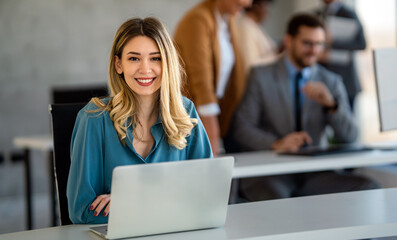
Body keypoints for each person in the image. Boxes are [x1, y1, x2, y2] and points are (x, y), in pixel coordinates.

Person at [67, 17, 213, 224]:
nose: (145, 69)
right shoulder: (94, 118)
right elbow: (81, 211)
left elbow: (207, 194)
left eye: (155, 58)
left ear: (167, 63)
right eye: (134, 59)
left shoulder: (185, 111)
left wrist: (129, 203)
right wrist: (171, 201)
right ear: (119, 64)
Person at [231, 13, 377, 201]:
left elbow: (350, 136)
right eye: (307, 43)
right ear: (289, 41)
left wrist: (332, 105)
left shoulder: (331, 82)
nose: (314, 50)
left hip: (314, 173)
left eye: (319, 44)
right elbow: (242, 128)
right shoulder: (261, 76)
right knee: (278, 201)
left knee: (369, 187)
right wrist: (277, 143)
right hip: (272, 172)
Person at [174, 0, 252, 156]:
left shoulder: (227, 19)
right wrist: (212, 133)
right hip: (190, 116)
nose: (248, 3)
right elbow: (201, 80)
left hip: (211, 113)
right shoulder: (198, 20)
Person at [316, 0, 366, 110]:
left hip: (346, 81)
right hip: (322, 80)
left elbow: (362, 44)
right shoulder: (317, 14)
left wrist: (333, 41)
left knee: (345, 121)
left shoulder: (349, 13)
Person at [238, 0, 279, 73]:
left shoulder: (255, 27)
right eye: (265, 6)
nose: (267, 11)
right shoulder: (246, 28)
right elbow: (250, 65)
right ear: (256, 7)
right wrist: (278, 56)